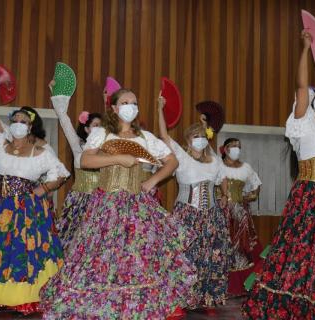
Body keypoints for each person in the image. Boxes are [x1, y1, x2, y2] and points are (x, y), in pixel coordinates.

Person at [40, 88, 197, 319]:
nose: (130, 106)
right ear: (114, 108)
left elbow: (171, 162)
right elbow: (85, 160)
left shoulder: (146, 138)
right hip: (107, 206)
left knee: (138, 257)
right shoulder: (103, 134)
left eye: (134, 102)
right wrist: (117, 158)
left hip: (137, 207)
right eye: (124, 102)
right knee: (101, 256)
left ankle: (136, 304)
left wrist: (152, 180)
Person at [242, 30, 315, 319]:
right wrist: (306, 49)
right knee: (302, 252)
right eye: (314, 98)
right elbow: (301, 84)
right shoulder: (302, 128)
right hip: (308, 198)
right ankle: (295, 301)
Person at [0, 93, 70, 314]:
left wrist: (43, 188)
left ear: (30, 126)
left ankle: (24, 297)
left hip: (27, 211)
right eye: (14, 120)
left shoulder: (41, 151)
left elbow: (61, 173)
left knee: (21, 254)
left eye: (23, 121)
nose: (18, 124)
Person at [158, 96, 231, 314]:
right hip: (186, 215)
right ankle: (179, 301)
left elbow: (223, 178)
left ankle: (206, 299)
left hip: (211, 216)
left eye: (202, 136)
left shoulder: (214, 161)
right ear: (188, 140)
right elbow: (163, 135)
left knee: (210, 258)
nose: (199, 139)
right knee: (184, 258)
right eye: (195, 136)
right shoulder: (181, 156)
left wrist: (225, 195)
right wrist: (159, 109)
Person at [49, 81, 102, 251]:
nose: (99, 129)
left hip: (100, 202)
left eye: (102, 127)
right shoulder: (78, 145)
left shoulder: (108, 149)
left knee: (97, 243)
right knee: (72, 241)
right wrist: (56, 94)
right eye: (96, 126)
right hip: (78, 200)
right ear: (86, 129)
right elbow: (64, 119)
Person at [218, 138, 262, 296]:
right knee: (221, 247)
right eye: (233, 146)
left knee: (240, 249)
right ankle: (219, 286)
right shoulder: (218, 165)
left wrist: (247, 197)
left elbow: (256, 187)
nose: (237, 149)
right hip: (220, 212)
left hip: (239, 215)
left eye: (239, 146)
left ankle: (238, 286)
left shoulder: (246, 167)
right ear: (225, 149)